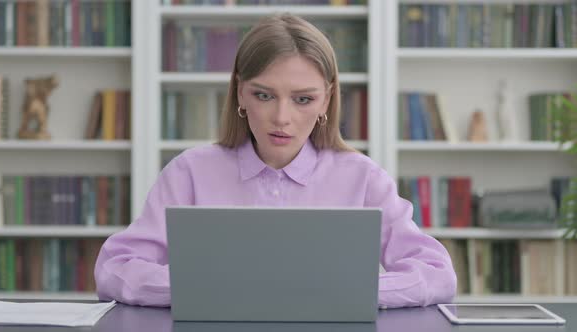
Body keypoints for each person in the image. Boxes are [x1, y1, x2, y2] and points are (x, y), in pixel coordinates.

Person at [94, 13, 456, 308]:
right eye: (264, 95)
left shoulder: (363, 178)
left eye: (303, 99)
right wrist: (206, 288)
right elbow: (115, 269)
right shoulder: (189, 172)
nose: (281, 118)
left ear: (327, 100)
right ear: (240, 91)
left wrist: (352, 292)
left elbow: (437, 274)